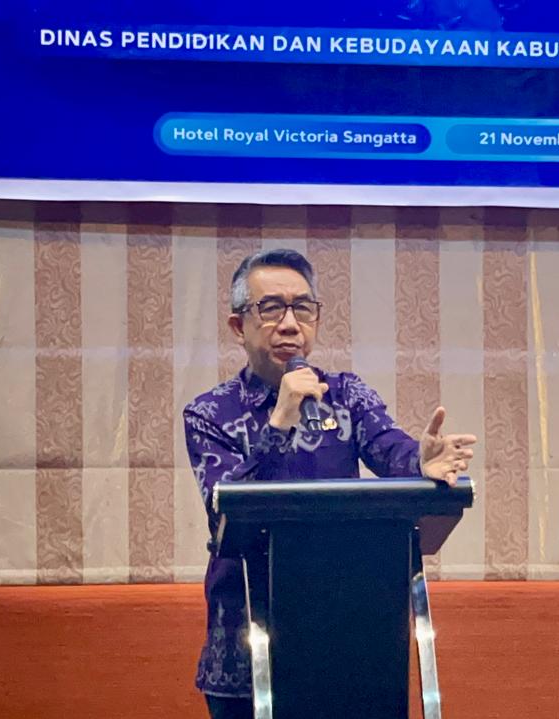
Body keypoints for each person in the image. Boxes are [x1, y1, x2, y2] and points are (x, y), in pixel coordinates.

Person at [182, 248, 478, 719]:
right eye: (271, 308)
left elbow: (392, 450)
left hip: (349, 638)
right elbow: (225, 511)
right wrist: (280, 420)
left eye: (302, 308)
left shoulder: (346, 395)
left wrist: (421, 462)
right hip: (248, 643)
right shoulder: (210, 413)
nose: (289, 324)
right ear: (239, 326)